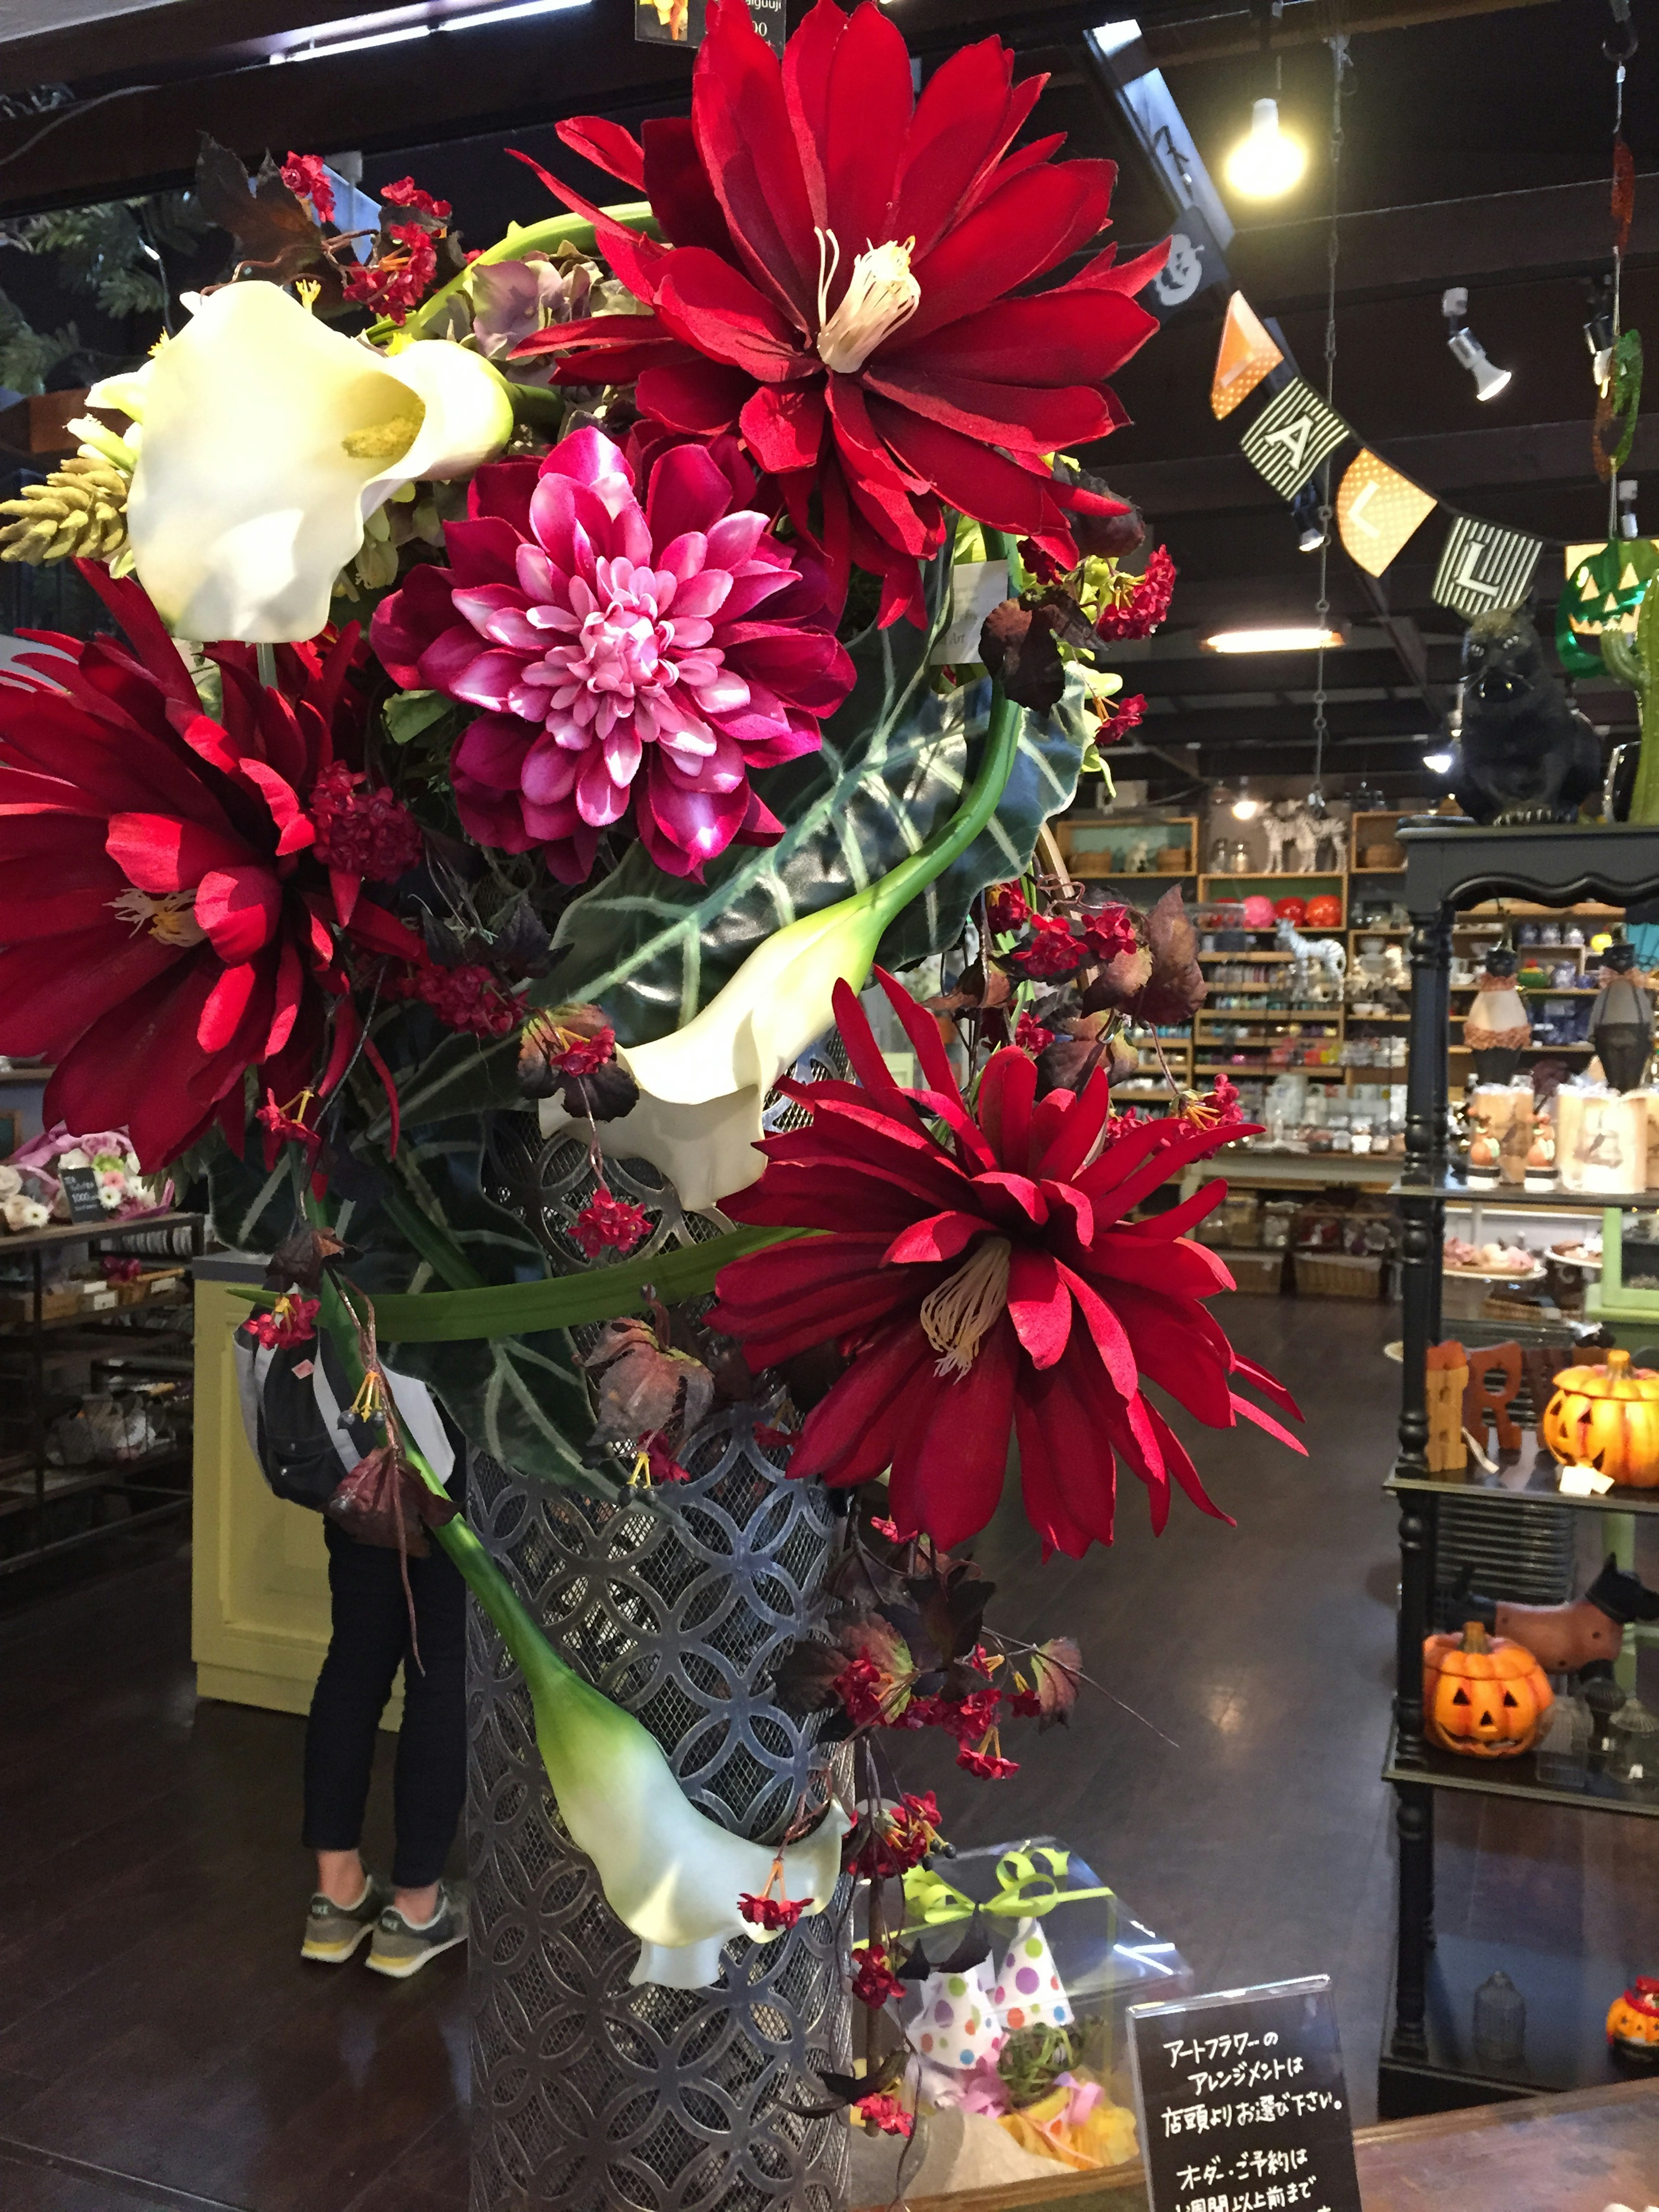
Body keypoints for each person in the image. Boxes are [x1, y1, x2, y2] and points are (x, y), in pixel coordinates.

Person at [300, 1463, 470, 1977]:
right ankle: (415, 1908)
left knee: (355, 1656)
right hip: (457, 1441)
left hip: (360, 1438)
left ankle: (336, 1893)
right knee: (441, 1665)